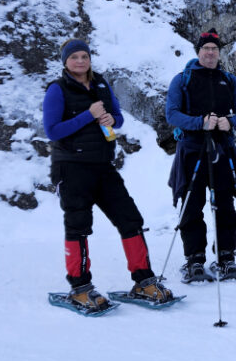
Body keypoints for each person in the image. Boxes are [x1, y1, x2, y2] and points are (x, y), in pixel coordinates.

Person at [43, 39, 172, 311]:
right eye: (74, 57)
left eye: (84, 56)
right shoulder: (57, 89)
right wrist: (88, 115)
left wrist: (112, 120)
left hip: (103, 165)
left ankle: (144, 281)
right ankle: (80, 287)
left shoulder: (100, 83)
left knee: (130, 219)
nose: (80, 61)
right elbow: (52, 131)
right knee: (78, 225)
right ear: (65, 61)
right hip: (72, 166)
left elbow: (118, 117)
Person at [166, 28, 236, 282]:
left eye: (214, 49)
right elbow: (172, 114)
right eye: (206, 49)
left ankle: (226, 257)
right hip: (192, 149)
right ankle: (195, 259)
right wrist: (200, 122)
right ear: (198, 51)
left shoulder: (229, 79)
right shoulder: (183, 79)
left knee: (225, 204)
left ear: (219, 52)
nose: (210, 53)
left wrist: (230, 123)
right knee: (192, 205)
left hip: (222, 149)